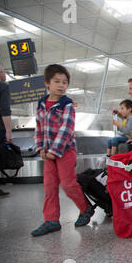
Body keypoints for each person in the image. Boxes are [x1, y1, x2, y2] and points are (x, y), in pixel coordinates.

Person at [31, 64, 94, 236]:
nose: (61, 85)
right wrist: (40, 149)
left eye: (65, 82)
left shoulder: (66, 104)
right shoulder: (42, 104)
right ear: (47, 83)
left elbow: (67, 129)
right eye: (56, 81)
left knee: (68, 184)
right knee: (49, 186)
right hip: (48, 153)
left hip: (65, 151)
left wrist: (54, 151)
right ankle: (51, 220)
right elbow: (39, 127)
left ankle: (85, 208)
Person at [0, 63, 12, 198]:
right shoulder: (2, 87)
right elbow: (4, 110)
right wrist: (8, 130)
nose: (5, 75)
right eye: (4, 72)